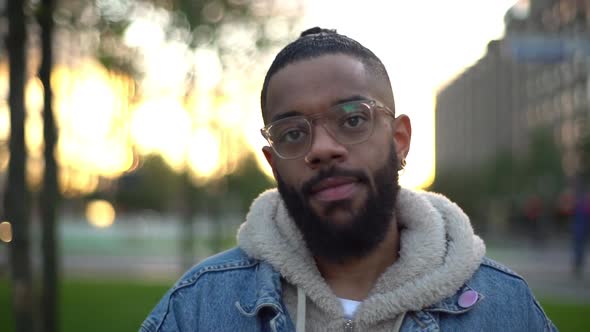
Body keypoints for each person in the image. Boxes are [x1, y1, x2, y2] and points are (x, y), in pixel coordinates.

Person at [141, 27, 556, 331]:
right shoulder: (197, 310)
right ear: (273, 163)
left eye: (353, 119)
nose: (321, 148)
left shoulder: (504, 308)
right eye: (293, 133)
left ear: (399, 141)